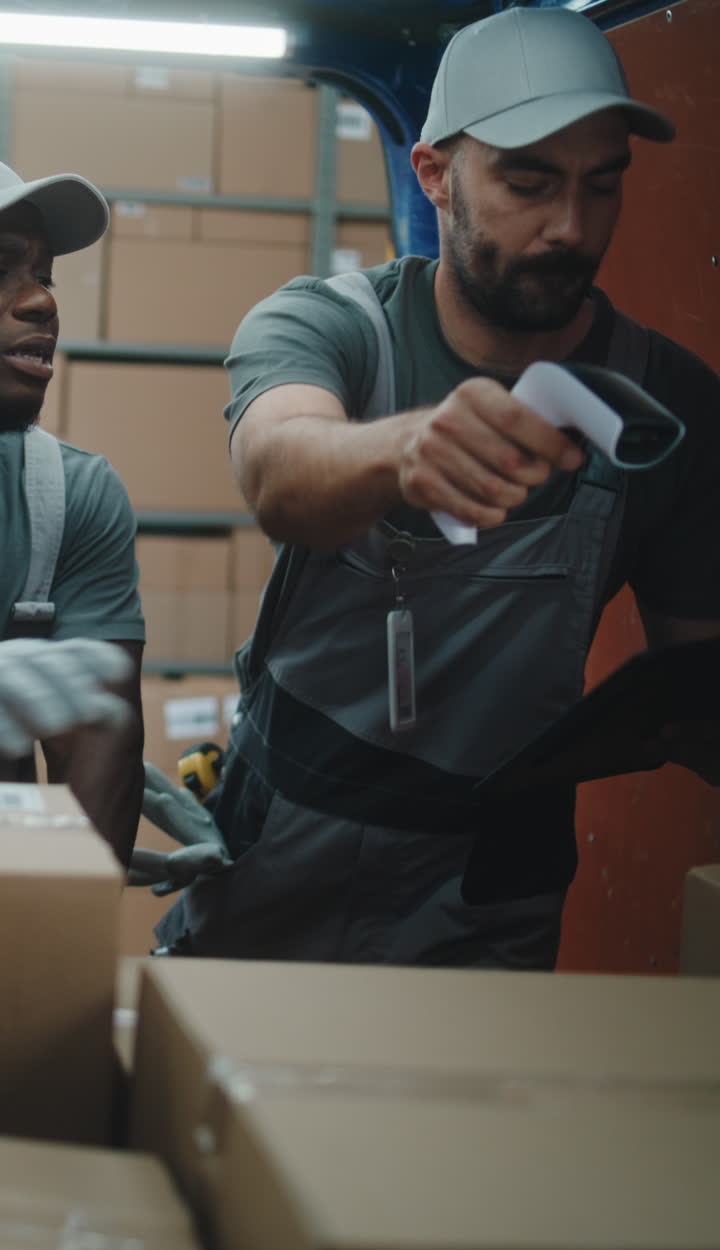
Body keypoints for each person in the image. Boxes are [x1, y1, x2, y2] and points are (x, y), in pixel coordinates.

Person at [152, 6, 720, 966]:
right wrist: (401, 451)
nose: (570, 228)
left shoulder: (666, 406)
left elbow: (697, 680)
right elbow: (281, 471)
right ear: (435, 175)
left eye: (601, 185)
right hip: (289, 847)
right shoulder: (329, 328)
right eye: (528, 183)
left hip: (494, 888)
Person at [0, 161, 145, 866]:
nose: (39, 303)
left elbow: (98, 744)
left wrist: (73, 908)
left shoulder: (66, 497)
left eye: (44, 277)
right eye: (1, 268)